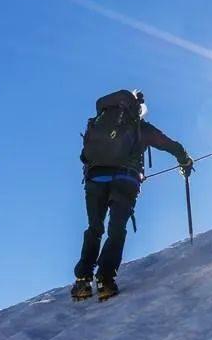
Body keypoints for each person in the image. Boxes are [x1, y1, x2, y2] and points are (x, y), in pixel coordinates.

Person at [71, 90, 193, 301]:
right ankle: (105, 280)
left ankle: (83, 280)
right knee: (116, 229)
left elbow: (84, 155)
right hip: (125, 181)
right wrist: (185, 160)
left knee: (95, 228)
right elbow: (169, 145)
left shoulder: (99, 123)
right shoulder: (139, 127)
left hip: (95, 179)